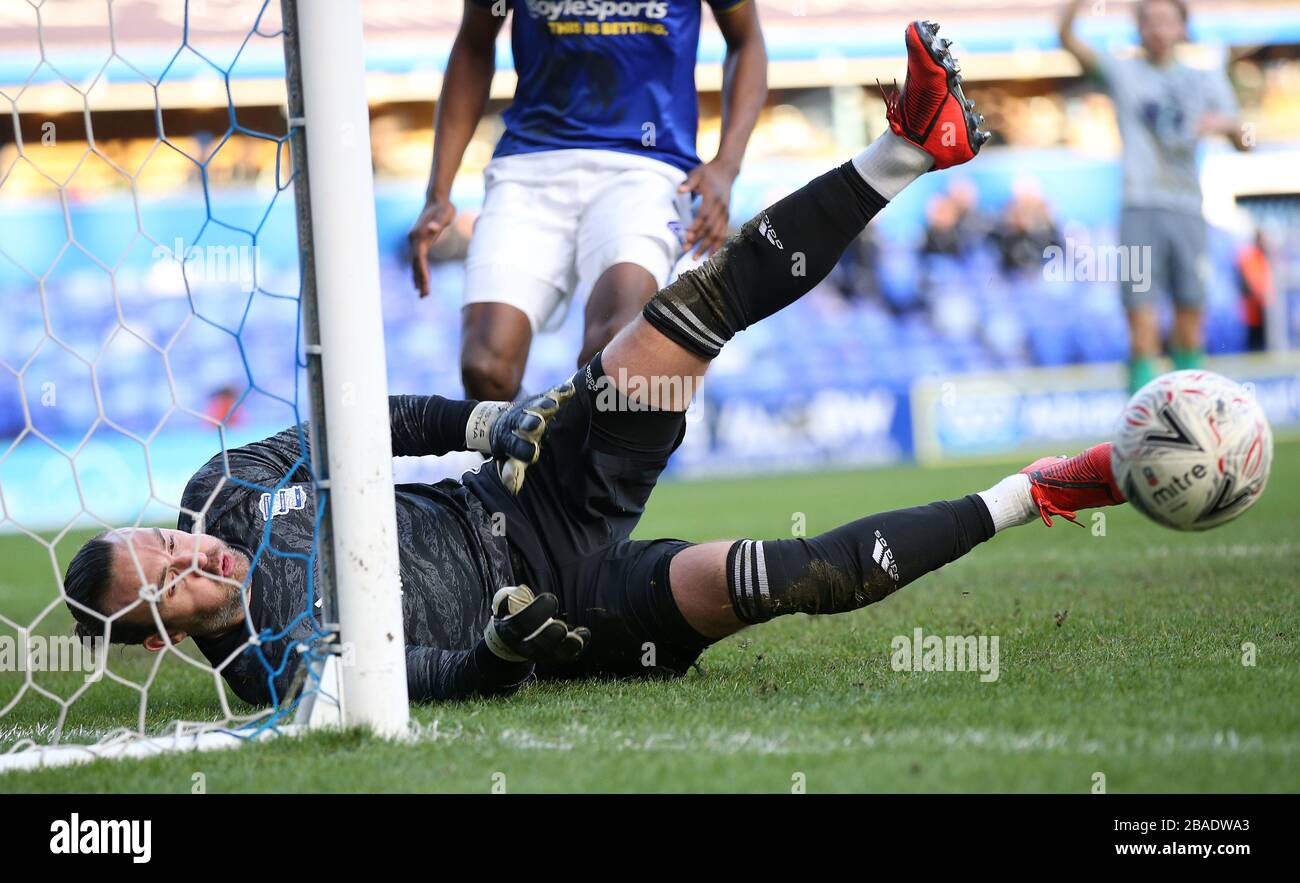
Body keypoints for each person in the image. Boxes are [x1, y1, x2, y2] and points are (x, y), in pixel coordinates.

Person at [63, 22, 1123, 707]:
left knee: (685, 315)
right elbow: (426, 679)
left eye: (166, 543)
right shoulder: (266, 671)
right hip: (575, 602)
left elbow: (349, 430)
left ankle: (907, 144)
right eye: (173, 584)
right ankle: (1037, 492)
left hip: (528, 488)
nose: (192, 558)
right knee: (793, 579)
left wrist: (481, 427)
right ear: (162, 641)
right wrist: (508, 650)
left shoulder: (221, 498)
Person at [407, 0, 768, 401]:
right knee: (484, 370)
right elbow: (473, 45)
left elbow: (746, 40)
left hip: (645, 167)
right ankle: (547, 457)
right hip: (530, 163)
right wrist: (438, 192)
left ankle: (566, 456)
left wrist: (726, 166)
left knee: (612, 355)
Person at [1059, 0, 1251, 393]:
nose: (1159, 30)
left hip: (1188, 211)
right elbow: (1066, 38)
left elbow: (1246, 143)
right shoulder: (1122, 71)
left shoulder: (1206, 78)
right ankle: (1140, 427)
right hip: (1138, 210)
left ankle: (1189, 414)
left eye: (1168, 21)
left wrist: (1229, 126)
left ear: (1183, 28)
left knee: (1190, 322)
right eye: (1151, 21)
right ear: (1139, 28)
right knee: (1141, 324)